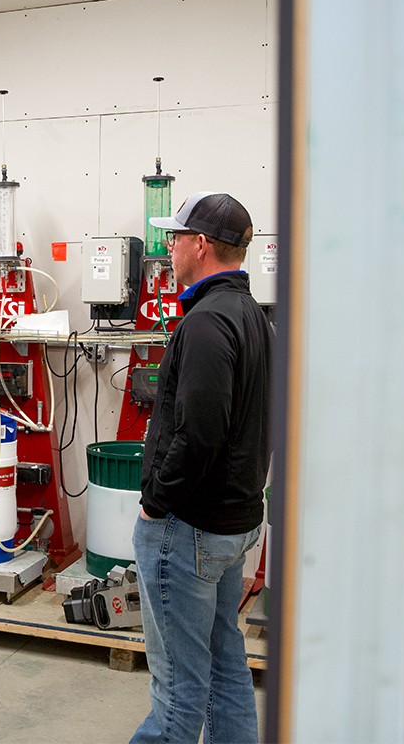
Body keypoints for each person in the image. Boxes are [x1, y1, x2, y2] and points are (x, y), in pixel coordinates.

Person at [131, 192, 273, 743]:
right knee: (224, 667)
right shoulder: (254, 319)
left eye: (175, 237)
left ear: (202, 245)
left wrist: (155, 502)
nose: (168, 248)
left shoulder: (208, 323)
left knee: (178, 690)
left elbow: (201, 433)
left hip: (189, 529)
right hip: (235, 525)